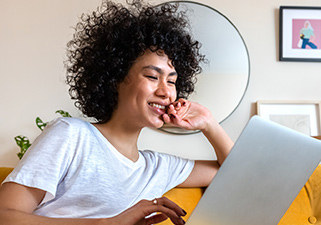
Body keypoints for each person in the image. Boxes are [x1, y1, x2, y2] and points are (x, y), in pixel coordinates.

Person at [0, 0, 233, 224]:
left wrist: (208, 123)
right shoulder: (72, 136)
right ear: (115, 79)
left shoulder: (158, 168)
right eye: (152, 76)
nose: (166, 92)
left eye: (172, 82)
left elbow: (235, 174)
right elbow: (5, 215)